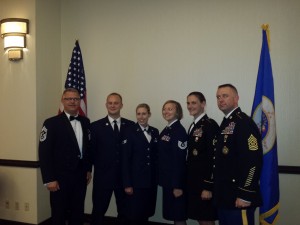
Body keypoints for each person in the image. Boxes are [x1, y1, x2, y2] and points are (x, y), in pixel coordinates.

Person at [38, 88, 92, 225]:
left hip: (80, 178)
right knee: (58, 213)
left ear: (80, 101)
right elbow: (44, 153)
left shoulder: (86, 122)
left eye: (76, 99)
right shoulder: (51, 123)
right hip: (59, 179)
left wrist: (88, 170)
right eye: (69, 99)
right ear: (63, 100)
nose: (73, 101)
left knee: (78, 212)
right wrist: (49, 179)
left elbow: (87, 149)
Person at [214, 84, 263, 225]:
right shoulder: (227, 123)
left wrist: (245, 194)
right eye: (218, 97)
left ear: (236, 98)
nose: (220, 100)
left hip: (238, 197)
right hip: (225, 196)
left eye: (225, 96)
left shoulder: (243, 123)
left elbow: (253, 161)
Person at [90, 92, 135, 225]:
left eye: (116, 103)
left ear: (121, 105)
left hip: (124, 179)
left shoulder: (131, 126)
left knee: (125, 212)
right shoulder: (95, 127)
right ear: (106, 105)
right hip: (103, 178)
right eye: (110, 103)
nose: (113, 105)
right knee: (98, 211)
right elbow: (91, 153)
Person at [121, 103, 159, 225]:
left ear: (149, 114)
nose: (141, 117)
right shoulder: (129, 132)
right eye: (138, 114)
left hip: (150, 182)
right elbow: (125, 160)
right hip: (135, 183)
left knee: (146, 212)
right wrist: (127, 184)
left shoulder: (155, 131)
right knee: (134, 214)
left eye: (144, 113)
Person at [186, 92, 219, 225]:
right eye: (188, 103)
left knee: (206, 218)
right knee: (200, 216)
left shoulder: (210, 125)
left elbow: (214, 157)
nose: (190, 106)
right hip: (194, 181)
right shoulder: (193, 126)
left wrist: (208, 186)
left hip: (204, 183)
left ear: (203, 104)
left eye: (194, 103)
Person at [158, 100, 188, 225]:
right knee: (174, 214)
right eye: (164, 109)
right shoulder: (167, 129)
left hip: (175, 183)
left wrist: (178, 185)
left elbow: (179, 160)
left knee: (178, 216)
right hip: (168, 181)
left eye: (170, 109)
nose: (166, 111)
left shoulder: (178, 131)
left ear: (177, 112)